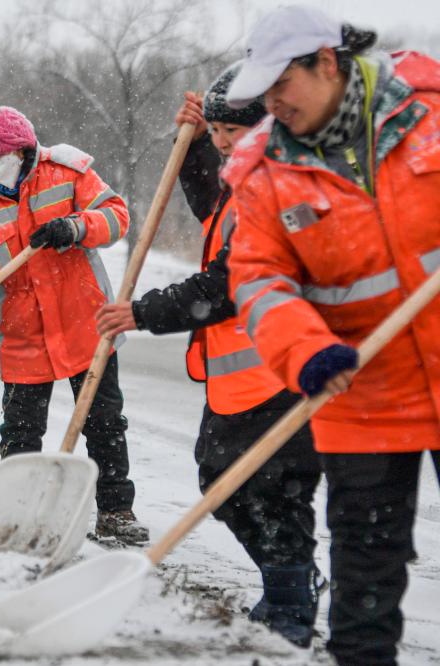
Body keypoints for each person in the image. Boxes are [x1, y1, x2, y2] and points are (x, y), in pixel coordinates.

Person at [223, 6, 440, 664]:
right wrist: (306, 349)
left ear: (326, 62)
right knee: (365, 578)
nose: (271, 103)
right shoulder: (264, 175)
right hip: (361, 389)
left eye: (280, 84)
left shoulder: (430, 112)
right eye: (262, 91)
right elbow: (258, 281)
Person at [96, 67, 323, 646]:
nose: (223, 142)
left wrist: (143, 313)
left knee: (275, 491)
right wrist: (195, 142)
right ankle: (288, 583)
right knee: (223, 480)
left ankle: (292, 603)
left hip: (284, 368)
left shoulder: (281, 186)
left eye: (231, 131)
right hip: (238, 378)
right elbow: (210, 205)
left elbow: (228, 284)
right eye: (217, 130)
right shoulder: (241, 185)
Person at [0, 106, 147, 545]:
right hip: (23, 332)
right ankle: (18, 514)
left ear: (21, 151)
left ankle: (116, 511)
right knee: (20, 432)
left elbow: (116, 216)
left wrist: (75, 227)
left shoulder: (66, 172)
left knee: (104, 423)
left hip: (86, 320)